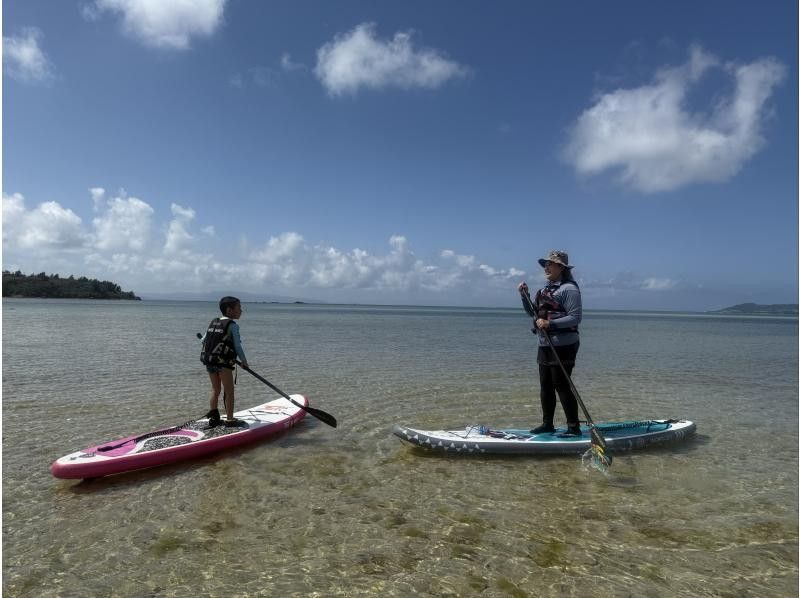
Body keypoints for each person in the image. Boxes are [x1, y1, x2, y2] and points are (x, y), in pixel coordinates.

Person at [518, 250, 583, 436]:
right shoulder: (545, 290)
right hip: (545, 343)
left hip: (565, 345)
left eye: (550, 264)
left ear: (560, 267)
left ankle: (573, 427)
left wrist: (550, 323)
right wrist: (525, 296)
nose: (546, 267)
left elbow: (576, 318)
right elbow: (533, 313)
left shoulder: (569, 289)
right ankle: (547, 424)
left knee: (561, 385)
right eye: (545, 264)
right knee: (545, 385)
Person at [200, 296, 250, 427]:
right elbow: (238, 346)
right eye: (239, 308)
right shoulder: (233, 326)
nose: (241, 311)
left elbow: (203, 340)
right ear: (229, 310)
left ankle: (214, 417)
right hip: (223, 364)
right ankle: (230, 419)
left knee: (215, 389)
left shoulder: (213, 322)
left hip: (210, 362)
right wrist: (244, 361)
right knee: (229, 391)